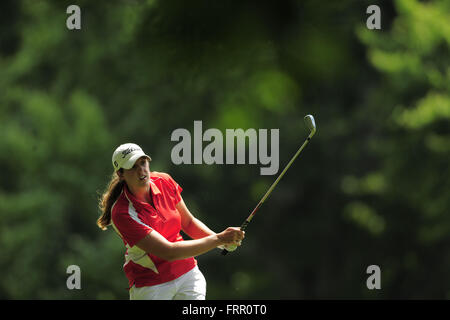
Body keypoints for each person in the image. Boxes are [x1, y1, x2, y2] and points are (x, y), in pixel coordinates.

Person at [97, 143, 245, 300]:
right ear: (121, 174)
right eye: (133, 167)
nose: (141, 170)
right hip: (151, 286)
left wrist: (224, 243)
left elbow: (188, 223)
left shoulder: (164, 181)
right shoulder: (122, 213)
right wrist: (219, 239)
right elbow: (169, 252)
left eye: (143, 162)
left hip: (188, 275)